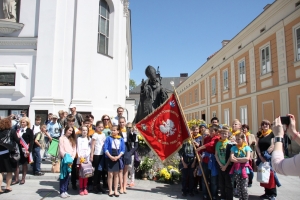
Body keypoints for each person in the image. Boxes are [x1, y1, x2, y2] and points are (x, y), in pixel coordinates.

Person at [256, 119, 280, 200]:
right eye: (263, 124)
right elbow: (257, 146)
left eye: (266, 124)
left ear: (269, 125)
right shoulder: (260, 135)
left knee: (271, 175)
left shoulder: (272, 134)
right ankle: (266, 193)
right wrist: (260, 156)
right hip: (261, 157)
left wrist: (266, 155)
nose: (265, 126)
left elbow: (273, 145)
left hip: (269, 157)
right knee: (264, 175)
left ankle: (272, 194)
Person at [196, 124, 220, 200]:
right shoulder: (207, 138)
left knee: (213, 179)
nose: (210, 132)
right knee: (204, 178)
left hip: (213, 160)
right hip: (206, 160)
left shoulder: (217, 138)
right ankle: (205, 194)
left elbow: (210, 144)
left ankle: (214, 194)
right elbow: (204, 147)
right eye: (210, 130)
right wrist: (200, 153)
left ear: (216, 132)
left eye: (212, 131)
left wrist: (200, 148)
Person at [103, 125, 125, 197]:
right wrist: (110, 156)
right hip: (109, 156)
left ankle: (115, 190)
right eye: (112, 130)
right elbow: (105, 148)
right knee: (110, 174)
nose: (113, 131)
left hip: (117, 157)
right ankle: (110, 190)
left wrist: (118, 157)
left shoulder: (121, 139)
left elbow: (123, 150)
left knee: (116, 175)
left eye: (115, 130)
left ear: (118, 131)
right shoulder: (108, 138)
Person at [229, 133, 252, 200]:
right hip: (237, 170)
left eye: (239, 139)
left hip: (244, 170)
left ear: (243, 139)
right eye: (236, 139)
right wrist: (242, 160)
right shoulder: (234, 147)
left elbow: (247, 158)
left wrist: (237, 159)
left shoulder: (247, 148)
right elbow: (231, 158)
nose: (237, 140)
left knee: (244, 187)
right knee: (239, 187)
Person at [0, 117, 20, 194]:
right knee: (9, 171)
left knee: (0, 172)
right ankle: (8, 187)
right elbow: (18, 141)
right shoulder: (12, 131)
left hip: (0, 153)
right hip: (9, 154)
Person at [12, 117, 34, 185]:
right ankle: (16, 179)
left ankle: (23, 178)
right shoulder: (18, 130)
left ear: (27, 123)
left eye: (24, 122)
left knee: (24, 164)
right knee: (16, 164)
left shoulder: (29, 130)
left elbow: (32, 141)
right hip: (18, 149)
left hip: (25, 149)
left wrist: (29, 150)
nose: (22, 123)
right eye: (21, 122)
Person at [119, 117, 137, 194]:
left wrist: (135, 133)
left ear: (125, 122)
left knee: (126, 168)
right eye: (120, 122)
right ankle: (121, 186)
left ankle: (124, 187)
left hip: (127, 148)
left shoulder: (128, 130)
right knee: (120, 169)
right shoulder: (118, 130)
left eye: (123, 122)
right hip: (120, 148)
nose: (122, 124)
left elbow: (132, 140)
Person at [215, 127, 233, 200]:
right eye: (222, 133)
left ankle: (229, 197)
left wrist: (225, 165)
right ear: (220, 134)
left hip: (228, 165)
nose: (224, 135)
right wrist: (220, 164)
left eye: (225, 133)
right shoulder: (218, 143)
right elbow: (216, 154)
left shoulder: (230, 143)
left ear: (228, 134)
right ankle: (223, 196)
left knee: (228, 183)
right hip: (220, 165)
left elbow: (230, 156)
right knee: (221, 183)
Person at [59, 125, 77, 198]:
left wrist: (72, 158)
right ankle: (62, 191)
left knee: (67, 175)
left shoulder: (72, 139)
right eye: (69, 130)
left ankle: (65, 190)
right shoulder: (61, 138)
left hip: (70, 159)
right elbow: (61, 149)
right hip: (65, 159)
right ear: (66, 130)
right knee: (63, 175)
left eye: (72, 131)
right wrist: (65, 157)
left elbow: (74, 149)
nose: (70, 132)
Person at [90, 120, 106, 193]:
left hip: (102, 154)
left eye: (102, 127)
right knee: (96, 171)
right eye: (99, 127)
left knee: (100, 171)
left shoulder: (103, 134)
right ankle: (95, 186)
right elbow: (92, 145)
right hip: (96, 154)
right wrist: (91, 155)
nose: (100, 128)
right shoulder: (95, 135)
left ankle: (99, 185)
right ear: (96, 127)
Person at [77, 125, 91, 195]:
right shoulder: (79, 139)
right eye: (83, 130)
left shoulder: (89, 139)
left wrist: (86, 155)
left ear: (88, 131)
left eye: (86, 130)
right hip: (80, 159)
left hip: (87, 159)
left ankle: (85, 187)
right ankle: (81, 188)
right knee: (81, 174)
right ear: (81, 131)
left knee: (86, 174)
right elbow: (78, 148)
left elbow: (89, 148)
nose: (84, 131)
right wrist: (80, 156)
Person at [125, 122, 138, 188]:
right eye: (127, 127)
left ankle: (132, 181)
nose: (128, 129)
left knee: (131, 167)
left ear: (132, 127)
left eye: (130, 127)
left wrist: (130, 152)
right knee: (125, 167)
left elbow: (136, 146)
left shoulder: (134, 135)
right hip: (126, 152)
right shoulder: (126, 134)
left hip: (131, 152)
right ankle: (125, 181)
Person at [191, 125, 202, 193]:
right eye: (194, 129)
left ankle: (199, 187)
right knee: (192, 173)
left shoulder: (200, 137)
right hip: (191, 156)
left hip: (198, 156)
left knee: (198, 172)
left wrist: (195, 143)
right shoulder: (190, 137)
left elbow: (200, 146)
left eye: (197, 129)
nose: (195, 131)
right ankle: (193, 186)